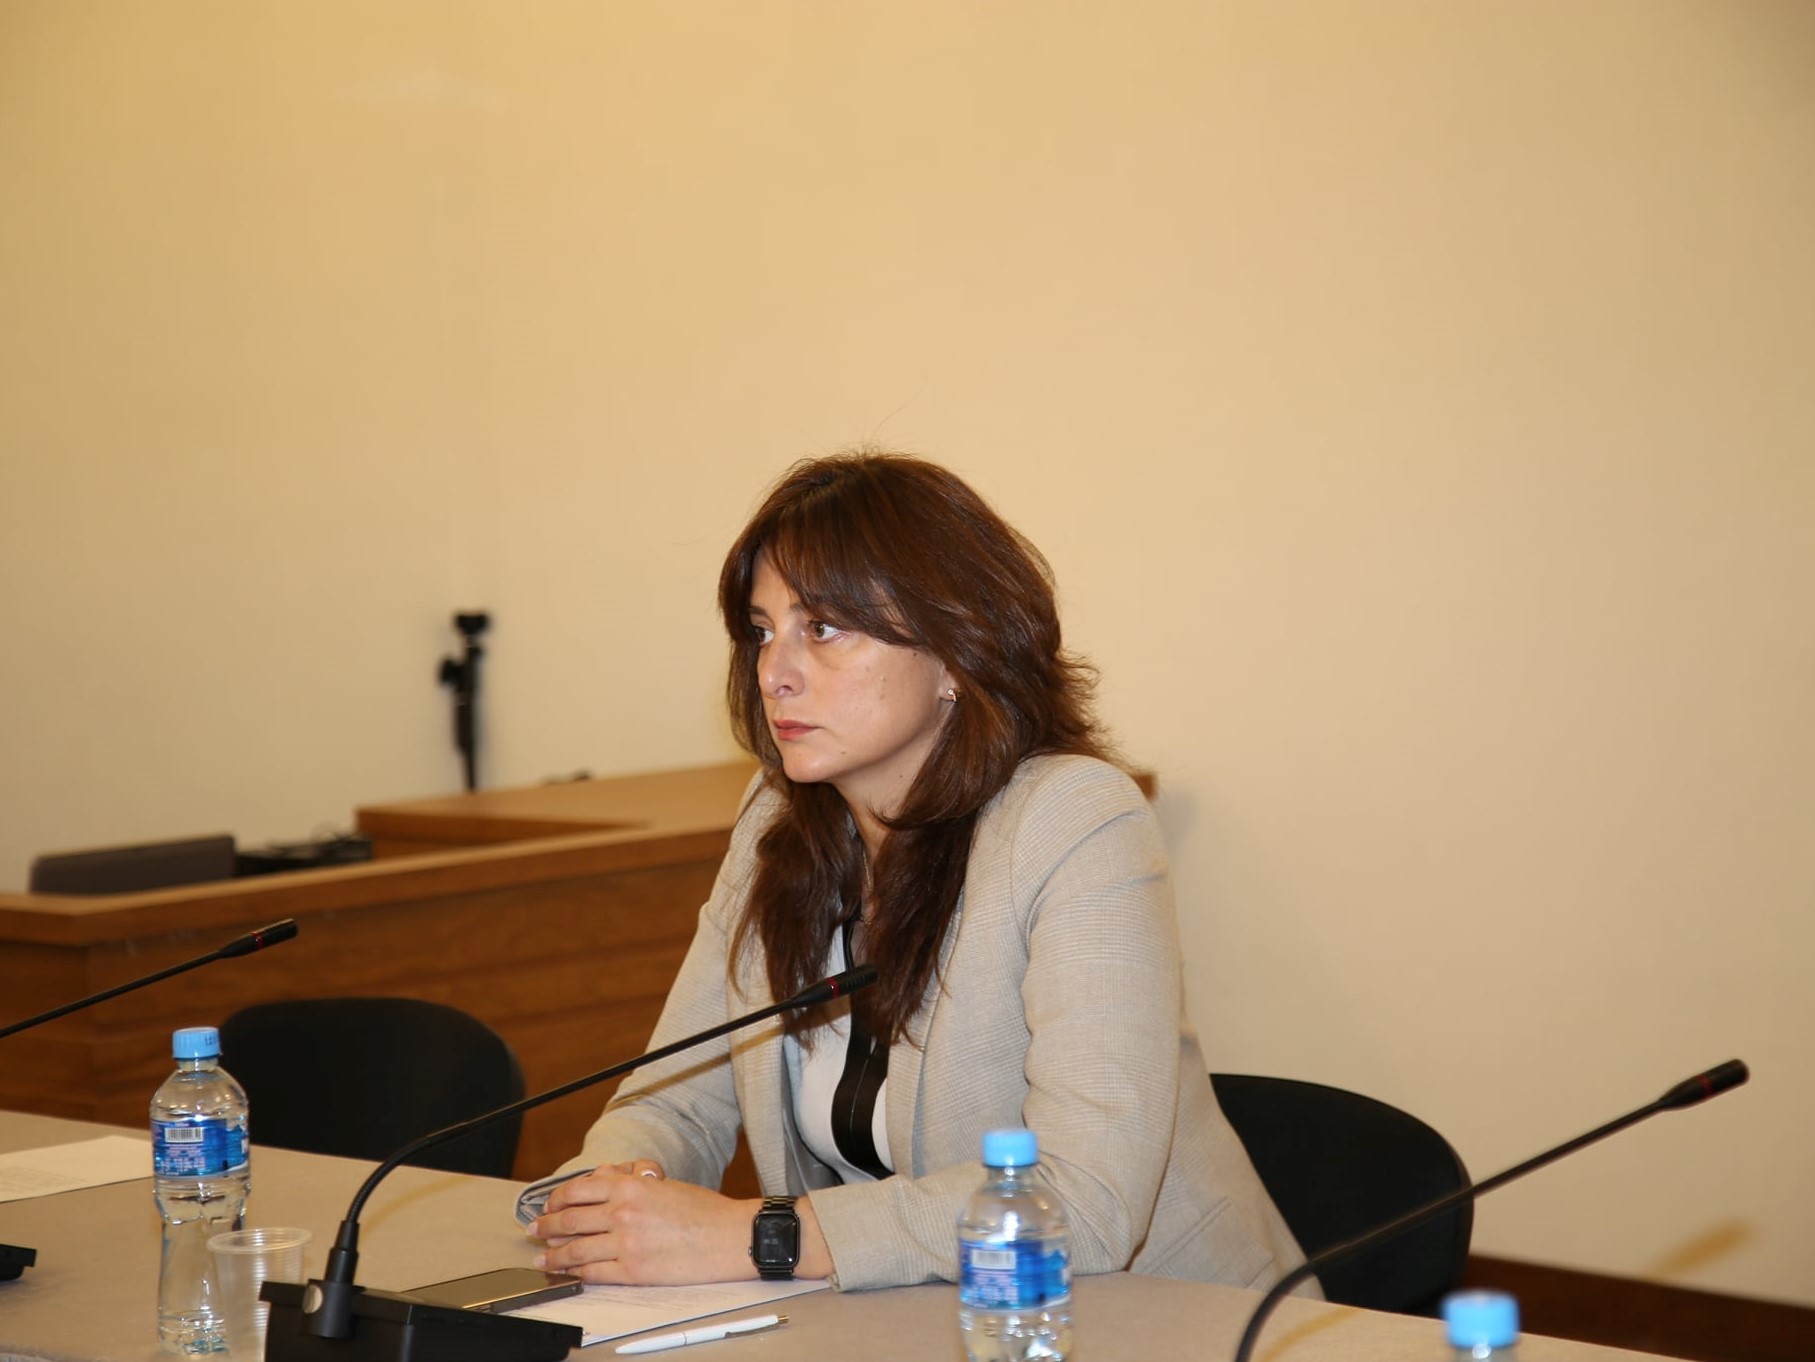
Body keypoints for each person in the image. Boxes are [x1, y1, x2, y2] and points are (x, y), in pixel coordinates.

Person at [518, 451, 1308, 1293]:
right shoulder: (773, 822)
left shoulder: (1074, 820)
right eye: (762, 631)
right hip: (908, 1318)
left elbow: (1085, 1198)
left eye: (822, 628)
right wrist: (602, 1199)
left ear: (954, 650)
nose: (774, 672)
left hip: (1161, 1320)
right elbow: (674, 1099)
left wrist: (763, 1236)